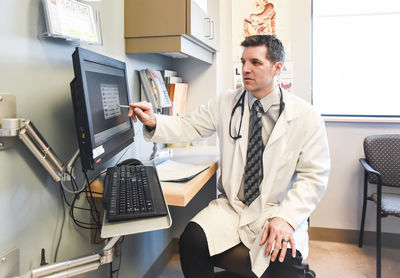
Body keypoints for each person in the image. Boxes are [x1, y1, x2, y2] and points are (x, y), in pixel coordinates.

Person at [128, 35, 330, 278]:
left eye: (255, 62)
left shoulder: (306, 116)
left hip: (275, 209)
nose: (245, 69)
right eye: (243, 62)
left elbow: (314, 177)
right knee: (191, 242)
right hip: (233, 208)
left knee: (282, 261)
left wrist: (286, 218)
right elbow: (190, 126)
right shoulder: (226, 103)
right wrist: (153, 121)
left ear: (277, 68)